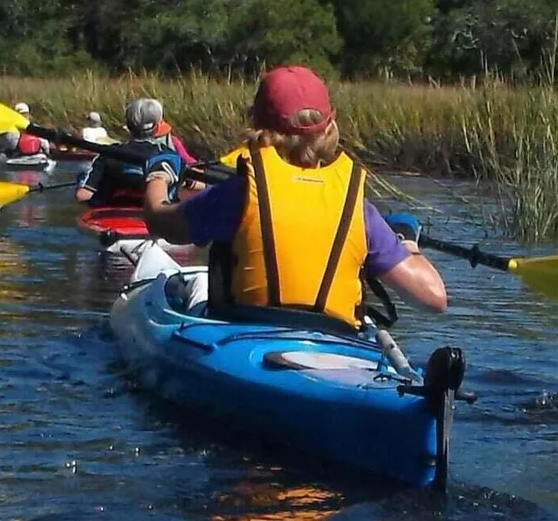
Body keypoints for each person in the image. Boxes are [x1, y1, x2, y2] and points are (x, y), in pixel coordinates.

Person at [142, 65, 446, 328]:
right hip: (334, 342)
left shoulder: (239, 193)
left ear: (257, 124)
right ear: (331, 124)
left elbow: (159, 222)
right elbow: (433, 298)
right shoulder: (356, 208)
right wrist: (406, 240)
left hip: (243, 334)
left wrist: (158, 174)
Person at [74, 97, 191, 206]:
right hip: (155, 221)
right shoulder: (171, 157)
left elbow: (82, 196)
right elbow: (192, 184)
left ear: (128, 126)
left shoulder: (108, 154)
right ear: (157, 128)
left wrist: (82, 181)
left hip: (112, 218)